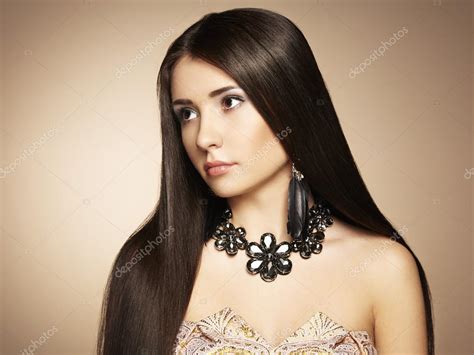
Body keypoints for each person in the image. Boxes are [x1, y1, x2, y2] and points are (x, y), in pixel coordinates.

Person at [97, 7, 433, 355]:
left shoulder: (385, 268)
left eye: (229, 102)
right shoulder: (149, 266)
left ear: (291, 105)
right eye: (188, 113)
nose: (203, 137)